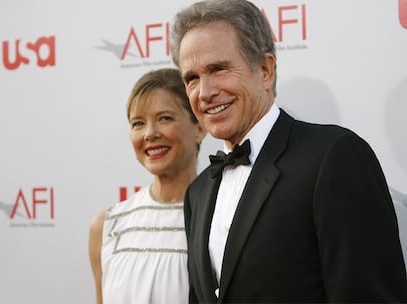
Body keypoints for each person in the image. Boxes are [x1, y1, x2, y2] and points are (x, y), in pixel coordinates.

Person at [169, 0, 407, 302]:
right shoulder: (198, 193)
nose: (205, 92)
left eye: (219, 69)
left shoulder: (333, 157)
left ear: (266, 70)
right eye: (192, 78)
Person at [88, 68, 206, 304]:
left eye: (165, 118)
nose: (150, 134)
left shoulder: (221, 218)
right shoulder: (107, 225)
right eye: (138, 123)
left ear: (200, 127)